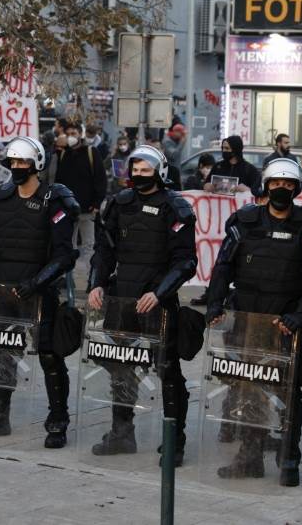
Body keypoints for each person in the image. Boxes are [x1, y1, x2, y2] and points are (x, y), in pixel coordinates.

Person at [203, 158, 302, 486]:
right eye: (276, 183)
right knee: (248, 390)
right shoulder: (245, 221)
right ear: (266, 185)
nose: (281, 189)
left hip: (284, 326)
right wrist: (215, 305)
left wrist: (298, 319)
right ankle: (249, 456)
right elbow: (222, 268)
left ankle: (289, 458)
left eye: (289, 185)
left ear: (297, 188)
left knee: (288, 394)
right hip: (246, 320)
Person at [0, 136, 80, 447]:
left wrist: (36, 284)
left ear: (36, 165)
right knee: (2, 355)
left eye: (22, 163)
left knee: (48, 356)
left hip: (40, 294)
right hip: (3, 292)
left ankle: (57, 421)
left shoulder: (55, 200)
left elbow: (65, 254)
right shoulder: (2, 197)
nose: (16, 168)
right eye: (13, 162)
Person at [87, 145, 197, 464]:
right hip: (122, 299)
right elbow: (103, 250)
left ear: (160, 171)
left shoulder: (175, 207)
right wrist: (96, 283)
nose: (138, 175)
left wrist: (159, 293)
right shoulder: (119, 204)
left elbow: (185, 261)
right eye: (134, 169)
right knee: (120, 369)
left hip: (158, 303)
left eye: (145, 170)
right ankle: (121, 434)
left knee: (168, 373)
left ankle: (174, 440)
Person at [54, 119, 107, 279]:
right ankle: (66, 278)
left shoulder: (91, 152)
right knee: (68, 243)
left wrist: (97, 204)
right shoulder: (62, 153)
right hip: (68, 209)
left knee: (89, 244)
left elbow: (100, 179)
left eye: (73, 133)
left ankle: (91, 278)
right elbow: (57, 179)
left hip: (87, 208)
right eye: (68, 134)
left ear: (80, 134)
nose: (71, 136)